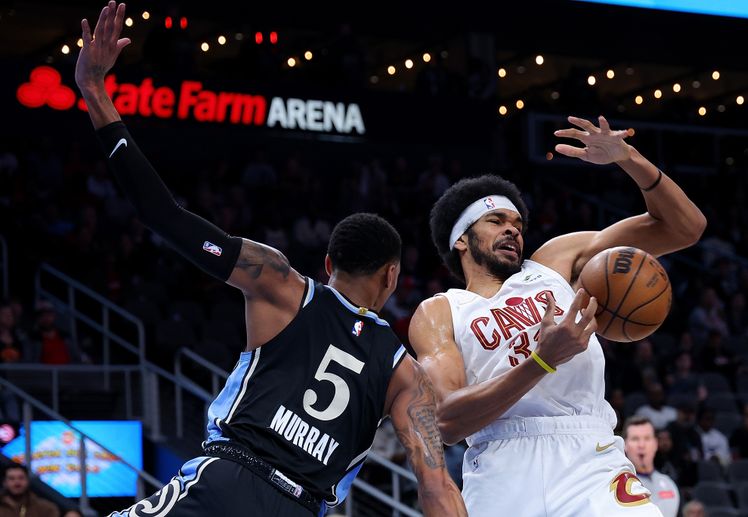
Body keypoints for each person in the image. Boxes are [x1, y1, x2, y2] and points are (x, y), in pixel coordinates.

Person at [75, 4, 466, 516]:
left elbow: (162, 213)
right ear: (392, 275)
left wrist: (95, 92)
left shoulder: (280, 284)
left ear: (328, 264)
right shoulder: (405, 376)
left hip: (229, 481)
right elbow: (437, 488)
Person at [409, 114, 706, 516]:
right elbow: (447, 421)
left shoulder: (555, 261)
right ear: (461, 239)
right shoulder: (441, 311)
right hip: (501, 468)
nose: (512, 230)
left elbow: (685, 228)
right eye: (496, 221)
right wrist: (542, 361)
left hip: (589, 456)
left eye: (517, 223)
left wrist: (629, 158)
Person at [624, 417, 681, 517]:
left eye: (647, 438)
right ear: (625, 445)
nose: (641, 445)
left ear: (655, 444)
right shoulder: (618, 486)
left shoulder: (669, 483)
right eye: (635, 439)